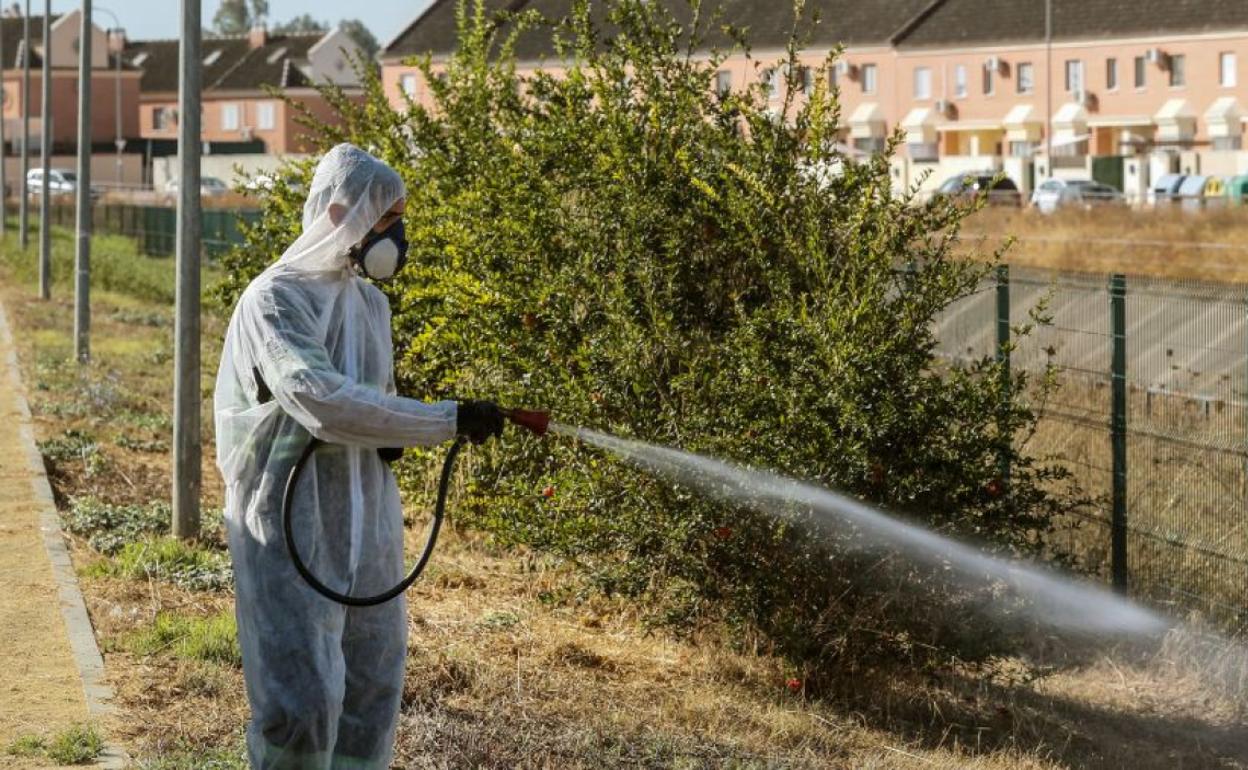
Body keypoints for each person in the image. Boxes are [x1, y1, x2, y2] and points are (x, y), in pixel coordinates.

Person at [214, 143, 504, 769]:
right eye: (385, 218)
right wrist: (443, 420)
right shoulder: (276, 299)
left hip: (367, 520)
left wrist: (398, 427)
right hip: (290, 522)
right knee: (304, 699)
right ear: (339, 211)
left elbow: (373, 403)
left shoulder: (371, 305)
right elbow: (319, 399)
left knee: (373, 684)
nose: (394, 235)